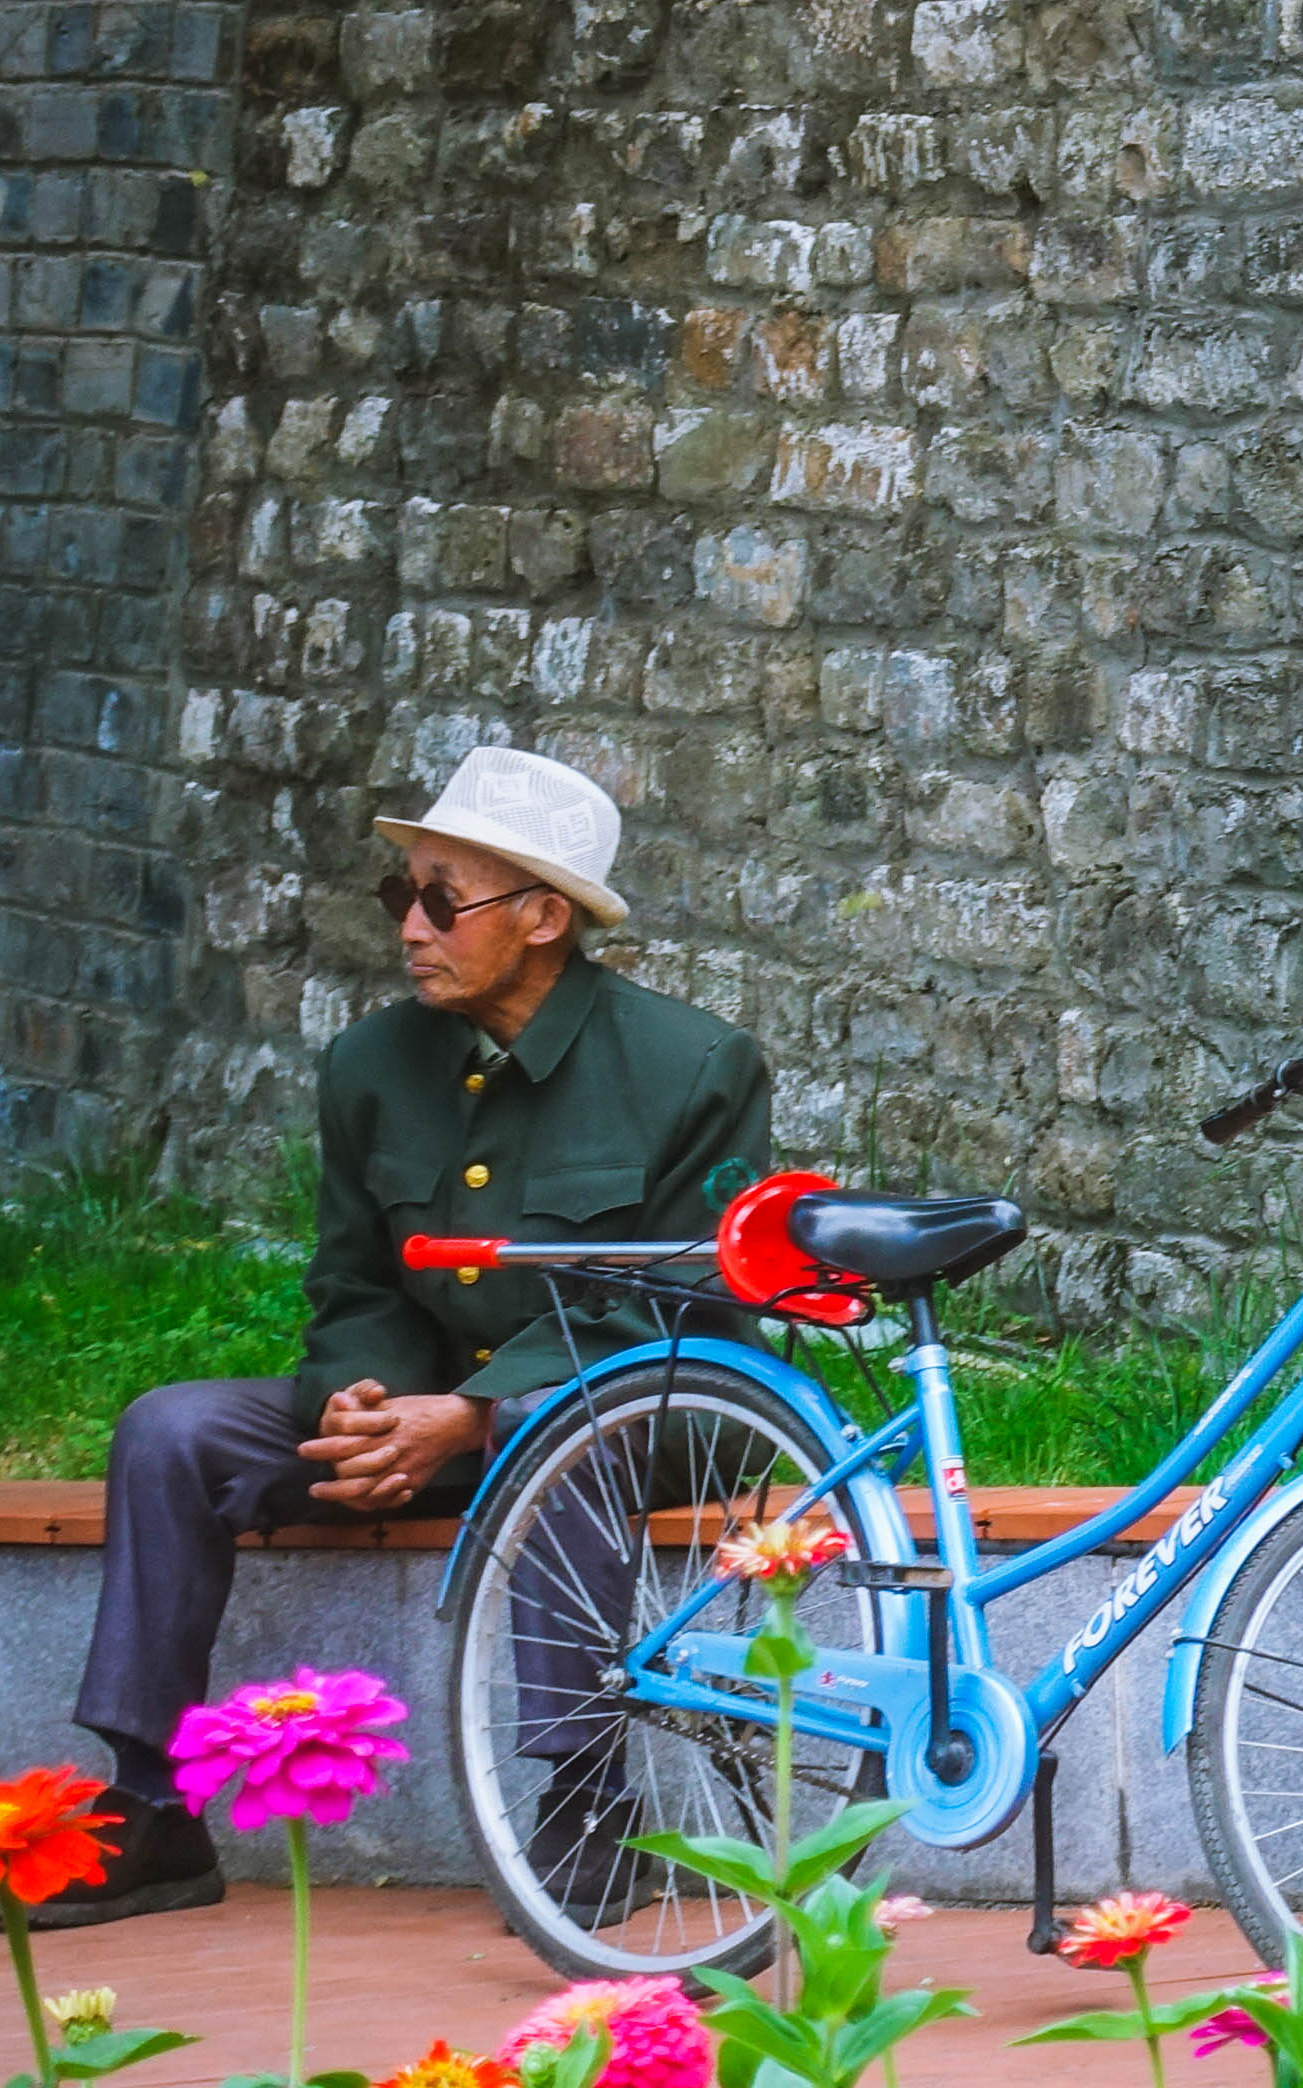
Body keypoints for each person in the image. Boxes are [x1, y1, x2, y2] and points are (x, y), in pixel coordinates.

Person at [43, 749, 766, 1928]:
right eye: (402, 895)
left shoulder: (692, 1066)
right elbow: (355, 1280)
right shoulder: (371, 1064)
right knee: (172, 1431)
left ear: (543, 918)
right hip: (427, 1412)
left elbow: (681, 1307)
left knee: (552, 1420)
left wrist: (471, 1416)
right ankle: (151, 1806)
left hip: (648, 1408)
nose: (409, 926)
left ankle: (590, 1802)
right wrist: (364, 1400)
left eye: (441, 898)